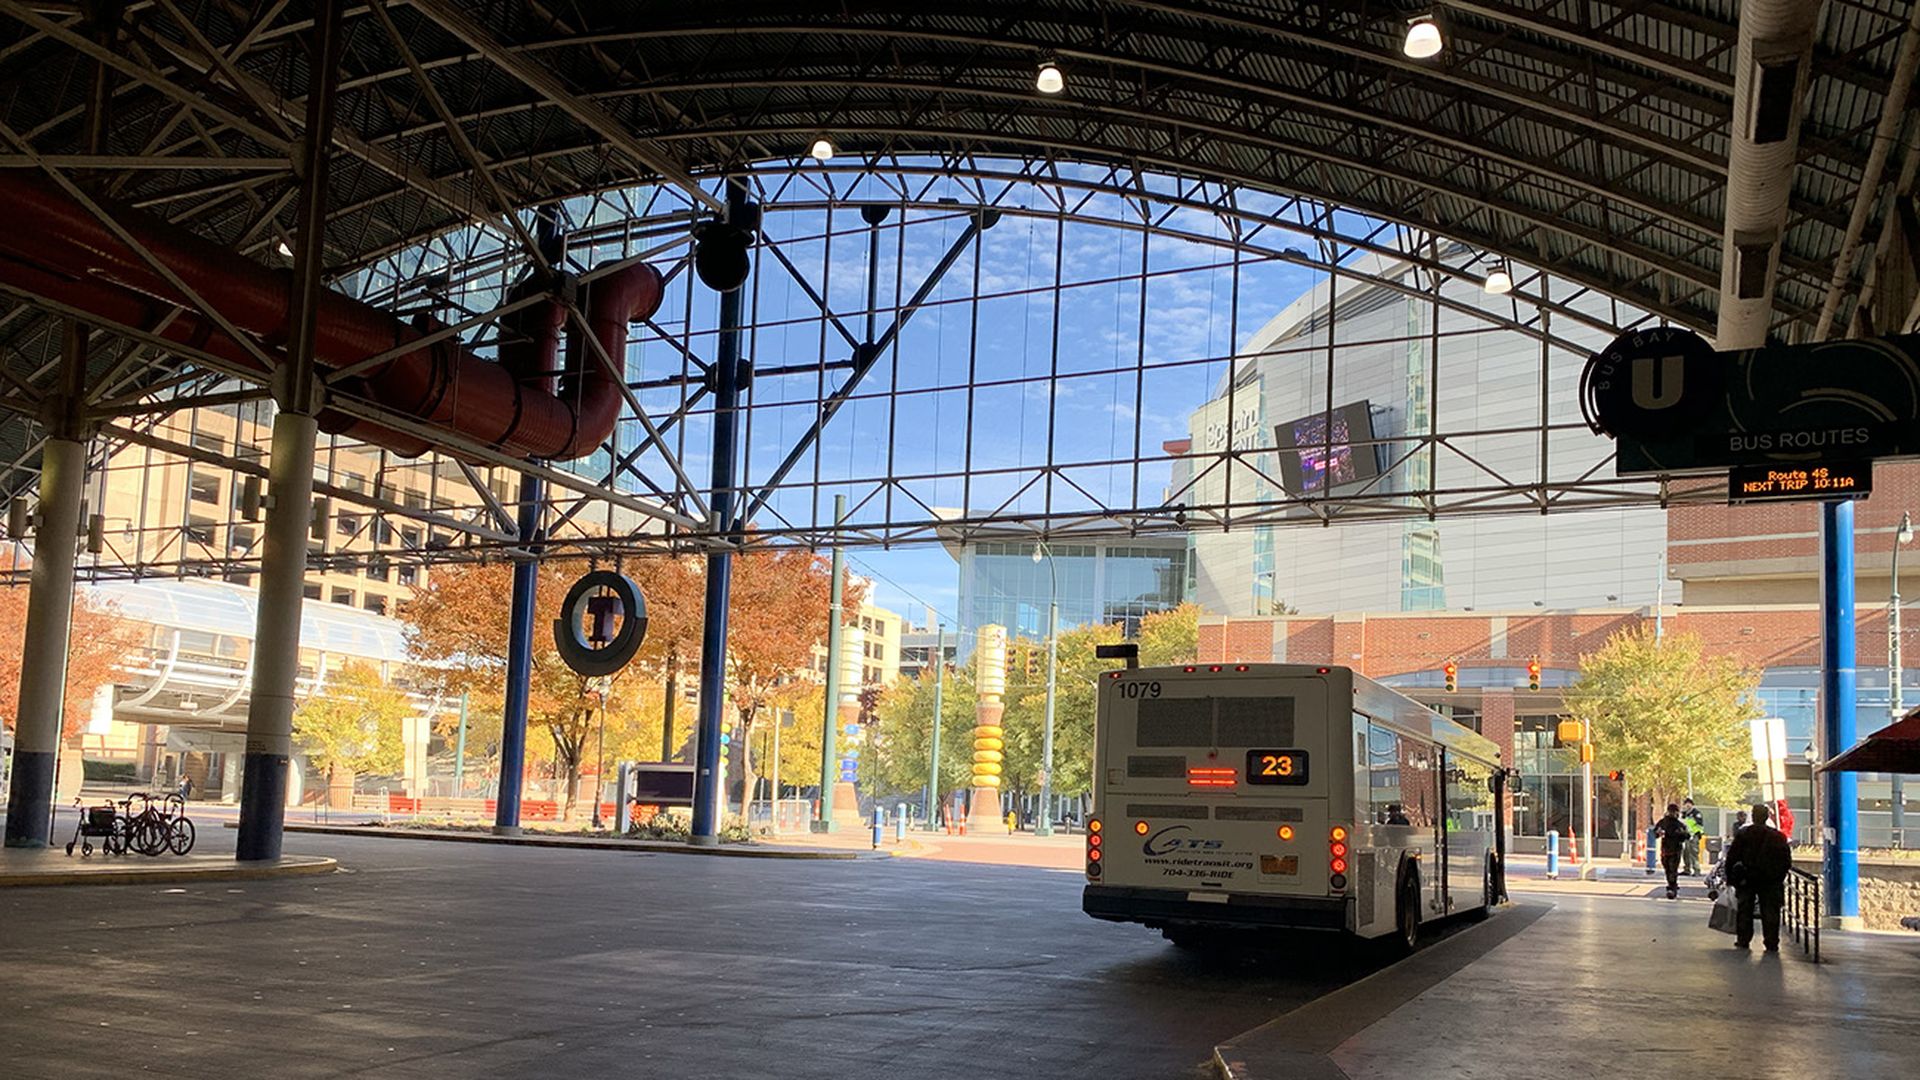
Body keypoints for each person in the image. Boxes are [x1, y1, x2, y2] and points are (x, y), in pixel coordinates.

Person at [1723, 802, 1794, 951]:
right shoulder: (1777, 836)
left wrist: (1730, 878)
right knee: (1770, 911)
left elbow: (1732, 857)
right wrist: (1778, 877)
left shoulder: (1743, 834)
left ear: (1753, 817)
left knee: (1745, 910)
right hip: (1770, 880)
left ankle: (1743, 939)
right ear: (1767, 817)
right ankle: (1771, 941)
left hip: (1746, 878)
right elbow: (1786, 860)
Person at [1653, 803, 1690, 899]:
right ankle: (1671, 885)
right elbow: (1655, 833)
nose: (1674, 814)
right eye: (1672, 812)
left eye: (1675, 812)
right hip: (1666, 850)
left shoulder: (1679, 824)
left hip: (1675, 850)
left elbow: (1686, 836)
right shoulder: (1663, 822)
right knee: (1668, 869)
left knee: (1673, 870)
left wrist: (1682, 834)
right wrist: (1658, 833)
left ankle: (1672, 888)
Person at [1680, 798, 1705, 875]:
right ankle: (1687, 869)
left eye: (1688, 804)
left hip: (1694, 835)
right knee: (1685, 853)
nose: (1687, 806)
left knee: (1693, 853)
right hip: (1686, 835)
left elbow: (1698, 824)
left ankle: (1696, 870)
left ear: (1692, 804)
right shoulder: (1685, 813)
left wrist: (1695, 833)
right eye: (1685, 804)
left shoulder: (1696, 813)